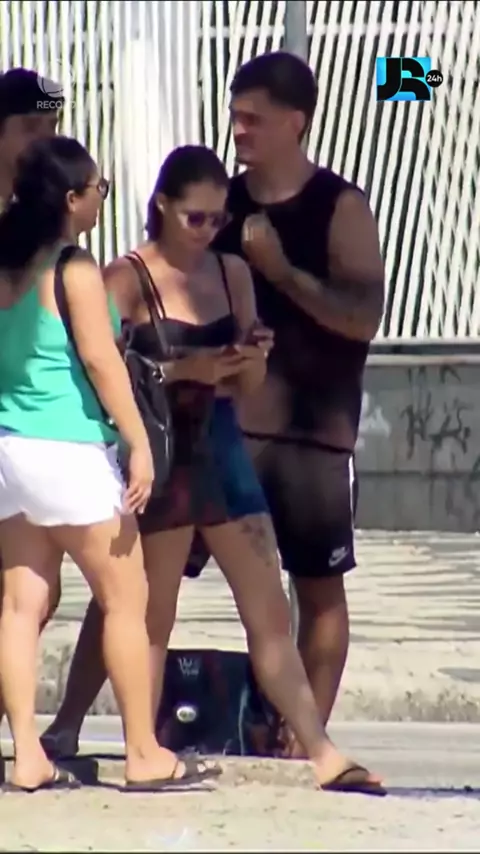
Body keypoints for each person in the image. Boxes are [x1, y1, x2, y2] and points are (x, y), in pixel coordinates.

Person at [41, 144, 384, 793]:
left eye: (218, 219)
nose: (207, 231)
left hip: (221, 447)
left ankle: (322, 751)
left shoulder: (232, 274)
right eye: (194, 218)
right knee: (146, 613)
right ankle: (113, 739)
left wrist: (249, 361)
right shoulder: (125, 278)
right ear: (163, 207)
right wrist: (182, 371)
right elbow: (98, 375)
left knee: (268, 614)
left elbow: (248, 385)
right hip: (163, 454)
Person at [0, 135, 218, 792]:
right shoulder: (73, 269)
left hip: (10, 451)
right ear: (71, 199)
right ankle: (142, 752)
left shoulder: (7, 266)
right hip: (70, 450)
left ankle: (28, 755)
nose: (102, 198)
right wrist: (138, 441)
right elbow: (100, 361)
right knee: (126, 598)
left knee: (20, 605)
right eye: (98, 188)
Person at [215, 51, 386, 750]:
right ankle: (99, 724)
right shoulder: (221, 204)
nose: (239, 130)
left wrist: (281, 273)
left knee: (317, 587)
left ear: (297, 122)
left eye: (253, 119)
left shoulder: (339, 206)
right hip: (225, 428)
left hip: (313, 436)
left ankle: (302, 735)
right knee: (141, 573)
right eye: (234, 116)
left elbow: (362, 317)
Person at [0, 67, 64, 785]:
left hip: (23, 427)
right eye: (28, 128)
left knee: (31, 593)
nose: (41, 142)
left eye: (50, 128)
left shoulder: (37, 217)